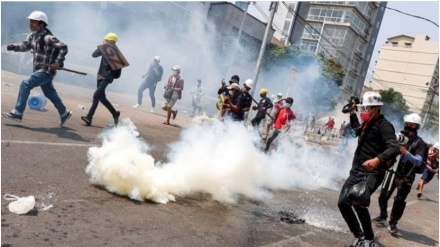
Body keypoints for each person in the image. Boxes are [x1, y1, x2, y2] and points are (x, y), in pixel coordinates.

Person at [338, 91, 399, 247]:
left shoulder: (384, 126)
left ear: (376, 108)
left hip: (372, 172)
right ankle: (359, 235)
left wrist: (377, 159)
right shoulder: (367, 123)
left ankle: (369, 239)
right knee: (343, 203)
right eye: (362, 108)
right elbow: (357, 129)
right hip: (356, 170)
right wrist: (352, 113)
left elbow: (394, 147)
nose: (364, 111)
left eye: (366, 108)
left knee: (359, 202)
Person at [2, 11, 72, 125]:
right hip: (39, 70)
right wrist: (14, 47)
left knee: (25, 84)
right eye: (30, 22)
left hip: (46, 71)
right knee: (49, 92)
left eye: (33, 22)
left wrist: (57, 62)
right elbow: (25, 46)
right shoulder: (32, 36)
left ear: (42, 24)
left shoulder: (48, 37)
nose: (30, 24)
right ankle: (64, 113)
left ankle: (18, 112)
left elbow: (63, 48)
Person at [372, 113, 429, 235]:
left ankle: (393, 223)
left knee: (399, 200)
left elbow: (419, 161)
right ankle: (383, 216)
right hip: (392, 171)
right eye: (407, 124)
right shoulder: (399, 137)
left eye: (411, 125)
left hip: (406, 175)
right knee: (383, 195)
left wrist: (406, 152)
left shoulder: (420, 143)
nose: (408, 127)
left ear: (417, 126)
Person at [81, 32, 122, 127]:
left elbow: (119, 69)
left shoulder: (116, 52)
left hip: (107, 77)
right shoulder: (104, 49)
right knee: (101, 98)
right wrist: (102, 46)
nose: (104, 41)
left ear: (110, 41)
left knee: (96, 95)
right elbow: (94, 55)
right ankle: (115, 113)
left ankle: (89, 117)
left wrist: (112, 76)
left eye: (106, 40)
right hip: (100, 75)